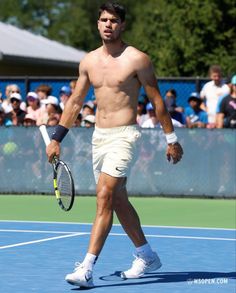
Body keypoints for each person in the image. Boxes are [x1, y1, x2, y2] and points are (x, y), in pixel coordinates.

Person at [45, 2, 183, 288]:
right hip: (99, 137)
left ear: (122, 25)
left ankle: (86, 267)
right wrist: (57, 138)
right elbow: (75, 103)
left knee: (104, 196)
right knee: (118, 199)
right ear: (97, 24)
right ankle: (146, 255)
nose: (108, 24)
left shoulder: (138, 59)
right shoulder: (88, 62)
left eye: (114, 20)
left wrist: (171, 139)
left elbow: (157, 101)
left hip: (125, 135)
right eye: (104, 20)